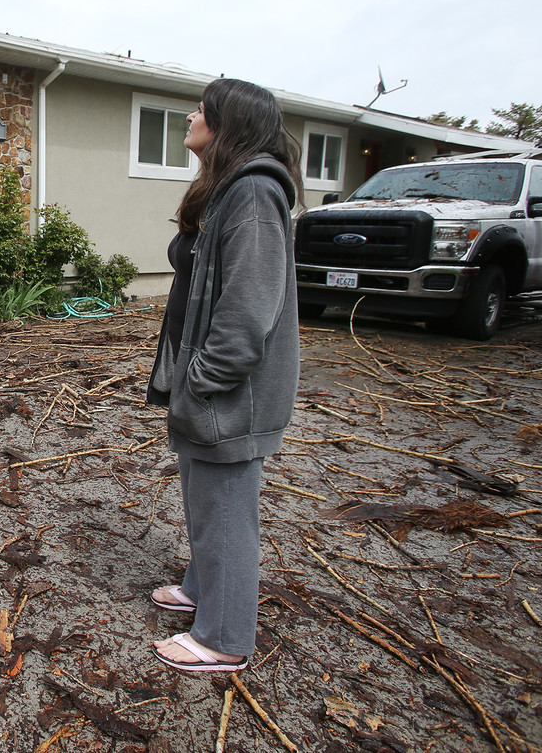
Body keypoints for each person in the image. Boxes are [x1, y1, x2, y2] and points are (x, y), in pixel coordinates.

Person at [144, 77, 303, 672]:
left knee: (227, 506)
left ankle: (224, 638)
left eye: (201, 110)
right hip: (205, 387)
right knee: (205, 495)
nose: (190, 115)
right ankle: (202, 589)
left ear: (227, 123)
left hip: (228, 393)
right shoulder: (226, 189)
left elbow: (248, 307)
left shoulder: (255, 193)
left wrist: (205, 377)